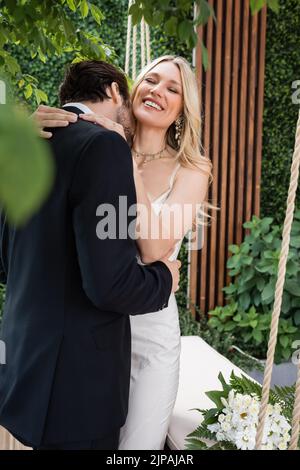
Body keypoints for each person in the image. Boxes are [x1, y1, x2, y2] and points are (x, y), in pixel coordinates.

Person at [32, 55, 214, 450]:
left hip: (150, 337)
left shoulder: (192, 170)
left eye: (173, 88)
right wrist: (28, 131)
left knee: (136, 448)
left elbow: (153, 249)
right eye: (151, 80)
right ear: (130, 90)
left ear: (183, 110)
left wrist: (126, 161)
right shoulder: (95, 143)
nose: (157, 91)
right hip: (93, 329)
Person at [0, 60, 181, 451]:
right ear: (116, 92)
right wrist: (165, 278)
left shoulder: (30, 142)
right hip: (80, 380)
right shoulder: (104, 146)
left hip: (28, 365)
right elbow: (109, 285)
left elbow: (7, 258)